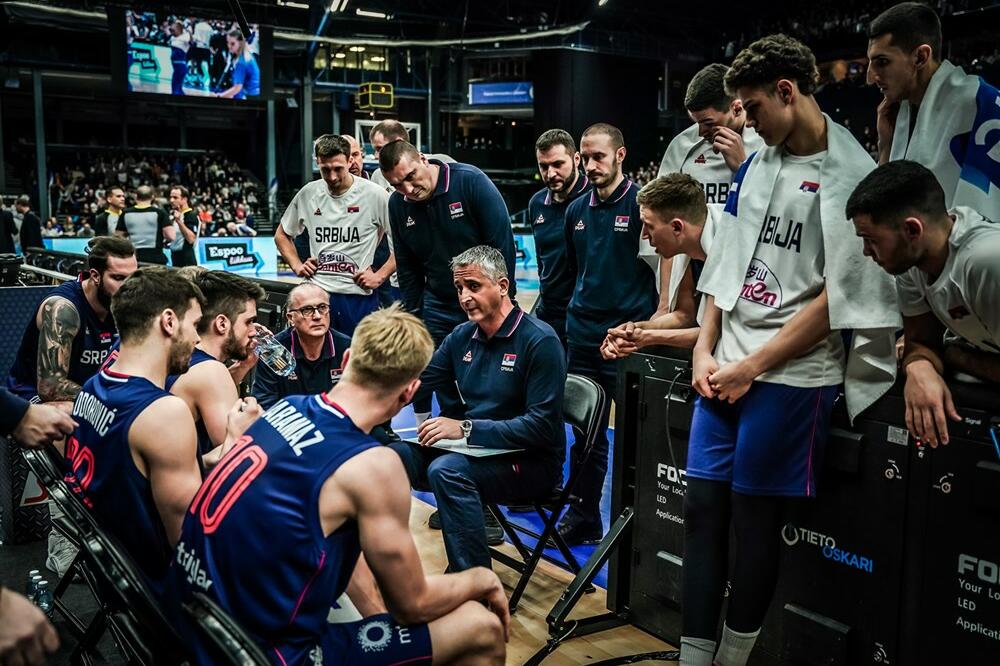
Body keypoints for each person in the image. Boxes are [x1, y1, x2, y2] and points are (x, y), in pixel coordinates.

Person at [682, 35, 899, 666]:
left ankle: (732, 658)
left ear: (788, 91)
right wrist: (706, 347)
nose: (743, 122)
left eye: (751, 107)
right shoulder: (759, 163)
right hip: (725, 361)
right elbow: (724, 260)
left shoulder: (853, 173)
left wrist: (754, 365)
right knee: (700, 512)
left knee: (753, 527)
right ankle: (693, 659)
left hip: (792, 374)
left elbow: (842, 299)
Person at [172, 305, 509, 666]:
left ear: (347, 359)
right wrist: (482, 579)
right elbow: (412, 605)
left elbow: (338, 546)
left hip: (188, 618)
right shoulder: (375, 466)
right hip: (258, 654)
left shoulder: (286, 407)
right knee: (480, 627)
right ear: (410, 391)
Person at [62, 268, 258, 593]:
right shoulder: (163, 413)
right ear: (168, 322)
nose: (197, 339)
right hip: (155, 591)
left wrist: (227, 447)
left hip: (110, 567)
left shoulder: (94, 385)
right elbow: (190, 540)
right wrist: (241, 449)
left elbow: (139, 474)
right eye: (195, 326)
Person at [390, 246, 566, 572]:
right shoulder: (461, 336)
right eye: (459, 288)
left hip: (530, 461)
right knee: (389, 455)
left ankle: (472, 584)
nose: (464, 297)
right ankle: (379, 566)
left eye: (473, 286)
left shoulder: (540, 341)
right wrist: (366, 407)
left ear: (502, 285)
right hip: (475, 451)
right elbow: (418, 381)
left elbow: (541, 427)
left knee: (448, 470)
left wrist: (466, 428)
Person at [848, 160, 1000, 446]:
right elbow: (922, 343)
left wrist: (956, 356)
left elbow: (942, 350)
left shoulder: (985, 263)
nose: (866, 252)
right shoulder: (913, 265)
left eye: (870, 240)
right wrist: (919, 367)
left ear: (912, 230)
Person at [558, 123, 658, 545]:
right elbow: (569, 274)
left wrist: (646, 331)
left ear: (620, 156)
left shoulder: (640, 206)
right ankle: (584, 515)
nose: (591, 165)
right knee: (585, 435)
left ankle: (637, 525)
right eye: (586, 157)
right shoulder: (576, 210)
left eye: (600, 156)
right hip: (582, 338)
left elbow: (660, 278)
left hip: (627, 341)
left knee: (636, 437)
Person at [379, 139, 517, 423]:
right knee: (441, 373)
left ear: (422, 158)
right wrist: (414, 315)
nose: (407, 189)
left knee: (487, 371)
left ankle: (493, 426)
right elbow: (407, 267)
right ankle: (452, 429)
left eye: (410, 177)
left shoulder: (471, 182)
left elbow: (501, 244)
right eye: (397, 185)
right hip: (439, 301)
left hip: (483, 300)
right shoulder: (398, 204)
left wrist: (505, 301)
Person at [647, 64, 765, 309]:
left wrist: (743, 167)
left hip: (752, 272)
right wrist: (664, 303)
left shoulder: (767, 142)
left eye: (708, 123)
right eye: (696, 122)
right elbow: (662, 221)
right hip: (694, 272)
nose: (701, 132)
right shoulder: (682, 147)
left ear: (736, 107)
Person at [867, 2, 1000, 219]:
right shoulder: (901, 111)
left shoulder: (980, 103)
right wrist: (886, 147)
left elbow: (988, 212)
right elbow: (884, 214)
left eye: (882, 62)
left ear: (920, 57)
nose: (870, 77)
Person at [275, 134, 395, 336]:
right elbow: (282, 234)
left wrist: (380, 276)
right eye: (325, 170)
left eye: (338, 168)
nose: (332, 177)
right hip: (318, 297)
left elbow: (404, 242)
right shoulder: (308, 193)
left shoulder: (375, 195)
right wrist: (297, 265)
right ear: (317, 163)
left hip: (358, 298)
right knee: (315, 359)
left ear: (350, 161)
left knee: (359, 362)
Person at [601, 174, 722, 359]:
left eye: (648, 226)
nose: (643, 235)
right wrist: (634, 329)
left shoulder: (728, 250)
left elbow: (720, 333)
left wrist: (647, 337)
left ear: (676, 228)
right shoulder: (685, 250)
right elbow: (684, 316)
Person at [164, 270, 263, 458]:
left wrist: (242, 367)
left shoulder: (181, 352)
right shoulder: (212, 372)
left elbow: (201, 395)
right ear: (222, 324)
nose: (253, 331)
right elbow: (236, 456)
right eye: (249, 322)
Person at [527, 129, 591, 344]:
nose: (550, 173)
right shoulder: (536, 203)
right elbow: (542, 259)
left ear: (576, 159)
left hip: (586, 316)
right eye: (543, 166)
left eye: (557, 164)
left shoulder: (594, 198)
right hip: (549, 314)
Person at [252, 283, 351, 410]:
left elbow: (360, 399)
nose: (317, 316)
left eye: (322, 307)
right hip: (289, 425)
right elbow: (264, 402)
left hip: (334, 424)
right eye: (307, 310)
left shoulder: (346, 347)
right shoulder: (274, 351)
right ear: (290, 318)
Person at [368, 120, 455, 191]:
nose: (377, 156)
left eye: (380, 149)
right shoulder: (378, 176)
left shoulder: (443, 163)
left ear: (399, 142)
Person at [116, 185, 175, 264]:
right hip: (155, 258)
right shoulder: (160, 213)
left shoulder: (126, 213)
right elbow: (171, 236)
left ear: (136, 197)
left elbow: (118, 237)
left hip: (134, 257)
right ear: (152, 197)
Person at [217, 29, 260, 99]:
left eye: (232, 43)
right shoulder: (246, 54)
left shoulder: (241, 62)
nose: (229, 46)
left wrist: (219, 96)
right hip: (253, 94)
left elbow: (237, 88)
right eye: (228, 42)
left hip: (251, 96)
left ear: (240, 43)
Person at [168, 185, 199, 267]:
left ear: (184, 199)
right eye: (170, 197)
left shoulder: (191, 216)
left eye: (175, 198)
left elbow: (191, 239)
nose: (171, 200)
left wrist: (179, 221)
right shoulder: (172, 215)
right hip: (175, 258)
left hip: (187, 261)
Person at [169, 20, 191, 96]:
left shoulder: (186, 36)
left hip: (180, 66)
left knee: (175, 86)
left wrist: (190, 32)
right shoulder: (173, 38)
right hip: (177, 66)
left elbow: (191, 41)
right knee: (177, 87)